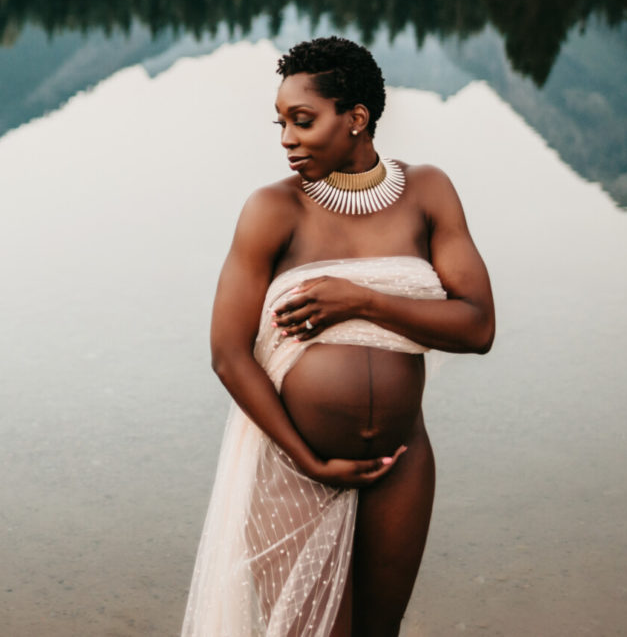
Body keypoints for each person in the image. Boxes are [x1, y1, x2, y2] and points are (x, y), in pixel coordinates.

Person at [181, 36, 495, 637]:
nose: (286, 139)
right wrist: (311, 460)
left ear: (357, 118)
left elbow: (478, 325)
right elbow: (227, 354)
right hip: (292, 468)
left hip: (401, 465)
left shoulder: (428, 194)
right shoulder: (273, 211)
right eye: (280, 123)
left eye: (303, 121)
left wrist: (361, 300)